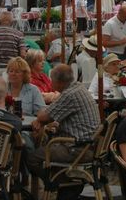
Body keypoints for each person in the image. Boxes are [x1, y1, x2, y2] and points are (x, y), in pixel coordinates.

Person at [29, 65, 101, 199]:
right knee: (47, 148)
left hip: (78, 149)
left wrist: (40, 120)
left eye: (52, 80)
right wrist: (45, 121)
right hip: (89, 145)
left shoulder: (69, 94)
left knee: (33, 158)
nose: (51, 83)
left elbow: (44, 117)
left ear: (59, 82)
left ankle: (56, 183)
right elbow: (57, 117)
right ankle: (67, 183)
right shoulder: (78, 88)